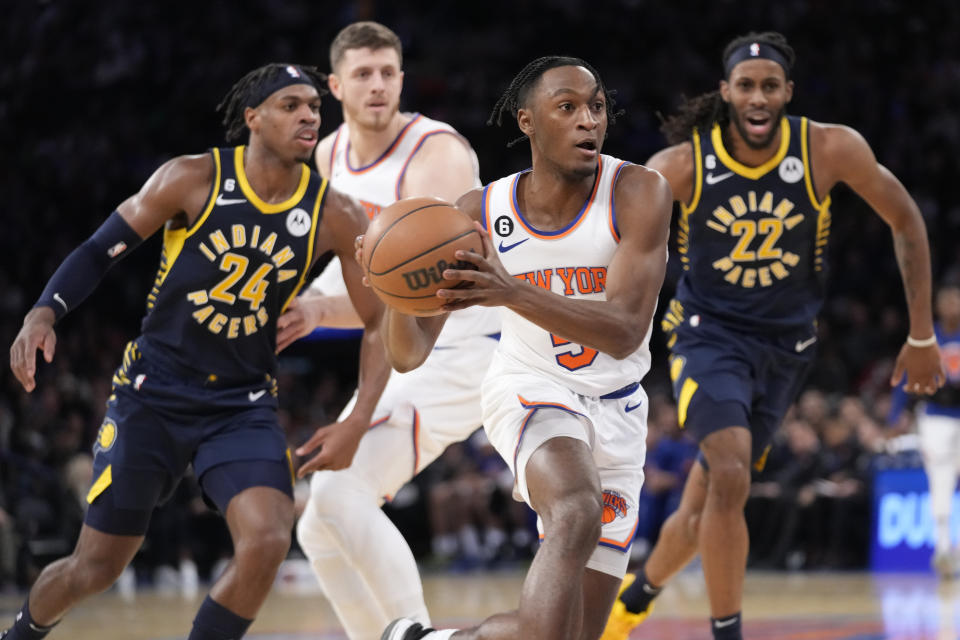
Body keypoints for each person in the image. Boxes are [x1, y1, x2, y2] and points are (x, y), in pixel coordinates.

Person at [3, 62, 387, 640]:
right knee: (96, 567)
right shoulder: (192, 178)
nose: (310, 115)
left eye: (314, 106)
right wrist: (44, 311)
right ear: (253, 119)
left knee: (266, 540)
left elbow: (380, 320)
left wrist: (357, 419)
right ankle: (22, 633)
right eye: (291, 105)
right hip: (151, 396)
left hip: (242, 404)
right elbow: (98, 250)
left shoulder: (337, 213)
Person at [601, 31, 945, 640]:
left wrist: (922, 334)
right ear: (726, 91)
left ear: (787, 91)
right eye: (745, 85)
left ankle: (636, 597)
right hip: (708, 335)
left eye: (769, 86)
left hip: (787, 348)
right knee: (731, 473)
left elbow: (906, 219)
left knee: (707, 503)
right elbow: (615, 239)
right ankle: (727, 632)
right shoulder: (681, 165)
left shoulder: (828, 149)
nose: (757, 97)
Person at [376, 55, 673, 640]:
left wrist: (511, 291)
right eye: (567, 108)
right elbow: (408, 354)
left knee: (570, 634)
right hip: (532, 389)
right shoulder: (477, 215)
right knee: (576, 509)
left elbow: (624, 330)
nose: (588, 120)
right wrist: (388, 285)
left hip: (619, 407)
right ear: (528, 121)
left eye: (597, 106)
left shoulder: (639, 192)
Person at [273, 22, 500, 640]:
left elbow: (422, 298)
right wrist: (312, 309)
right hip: (415, 349)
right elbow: (363, 282)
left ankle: (417, 634)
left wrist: (329, 319)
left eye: (388, 73)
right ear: (336, 85)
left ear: (402, 78)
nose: (378, 86)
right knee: (319, 523)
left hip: (469, 343)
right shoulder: (327, 156)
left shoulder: (437, 155)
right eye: (364, 74)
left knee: (343, 491)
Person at [889, 281, 960, 577]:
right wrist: (896, 417)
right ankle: (943, 549)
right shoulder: (926, 338)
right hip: (936, 416)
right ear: (938, 306)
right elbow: (906, 378)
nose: (952, 306)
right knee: (940, 481)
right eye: (947, 301)